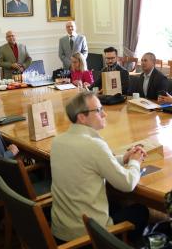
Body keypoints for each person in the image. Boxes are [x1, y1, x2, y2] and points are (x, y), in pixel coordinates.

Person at [51, 91, 148, 242]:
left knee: (116, 204)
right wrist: (135, 161)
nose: (105, 114)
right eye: (98, 110)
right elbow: (128, 183)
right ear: (81, 117)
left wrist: (124, 158)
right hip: (87, 236)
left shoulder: (57, 141)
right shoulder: (94, 145)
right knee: (141, 211)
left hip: (61, 230)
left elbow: (90, 163)